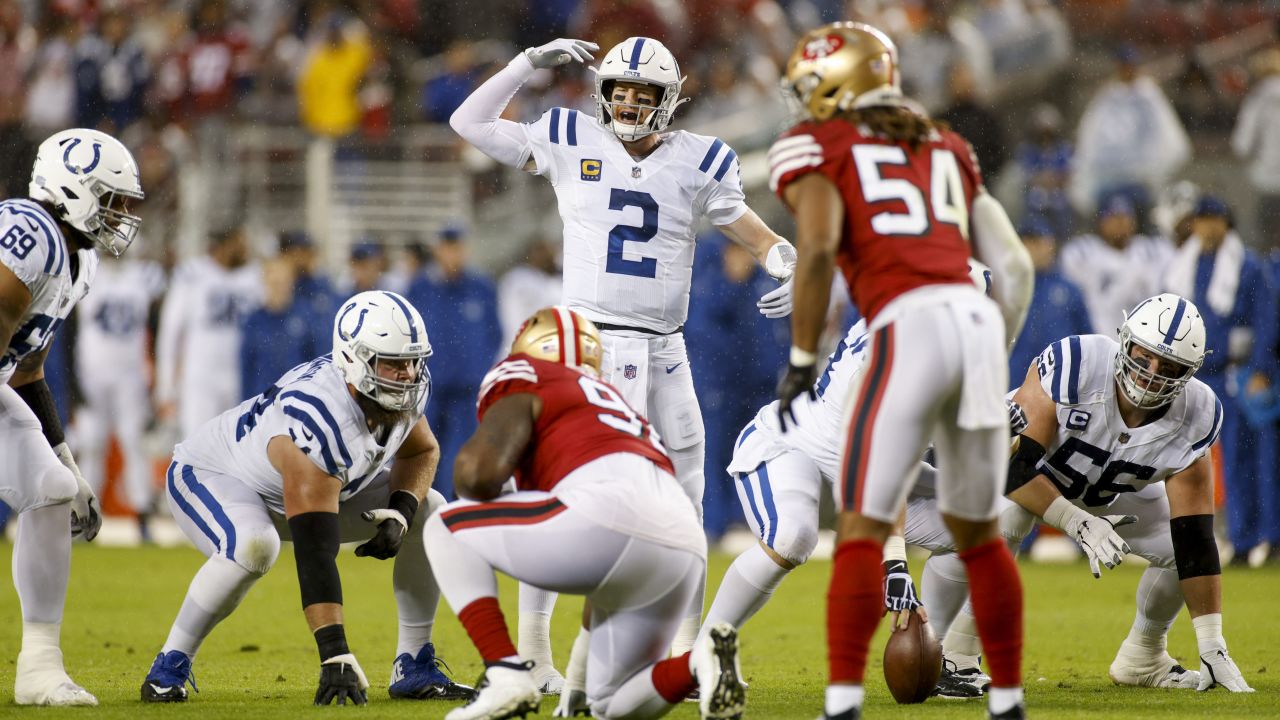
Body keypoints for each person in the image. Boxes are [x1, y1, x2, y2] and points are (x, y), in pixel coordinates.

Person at [449, 34, 797, 672]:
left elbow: (753, 229)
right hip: (589, 348)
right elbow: (467, 121)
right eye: (620, 90)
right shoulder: (568, 136)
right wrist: (525, 64)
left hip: (666, 349)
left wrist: (788, 263)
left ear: (669, 99)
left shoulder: (699, 159)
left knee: (687, 497)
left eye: (644, 93)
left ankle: (686, 652)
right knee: (561, 492)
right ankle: (533, 656)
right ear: (603, 93)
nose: (630, 102)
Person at [769, 22, 1033, 720]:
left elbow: (820, 251)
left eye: (812, 89)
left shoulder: (817, 147)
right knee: (983, 531)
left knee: (862, 523)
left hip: (904, 326)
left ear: (838, 85)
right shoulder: (948, 144)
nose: (805, 104)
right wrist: (990, 356)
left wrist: (801, 358)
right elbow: (1016, 267)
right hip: (974, 324)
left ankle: (842, 701)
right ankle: (1007, 700)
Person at [907, 294, 1254, 696]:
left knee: (1181, 548)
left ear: (1188, 373)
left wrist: (1212, 644)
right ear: (1124, 342)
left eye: (1168, 366)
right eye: (1144, 356)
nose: (1150, 373)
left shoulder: (1198, 411)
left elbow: (1195, 536)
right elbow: (1014, 469)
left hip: (1102, 495)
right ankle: (958, 655)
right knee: (1011, 515)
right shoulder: (1079, 362)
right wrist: (1076, 522)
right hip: (1004, 474)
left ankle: (1143, 657)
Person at [140, 291, 471, 704]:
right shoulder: (318, 417)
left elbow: (422, 450)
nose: (407, 374)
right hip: (213, 475)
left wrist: (401, 513)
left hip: (303, 488)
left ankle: (414, 664)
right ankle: (169, 665)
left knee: (430, 510)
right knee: (253, 546)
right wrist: (335, 655)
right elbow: (316, 549)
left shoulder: (402, 388)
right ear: (355, 358)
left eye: (412, 361)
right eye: (394, 362)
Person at [424, 306, 743, 720]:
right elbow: (613, 554)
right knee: (610, 701)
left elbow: (480, 478)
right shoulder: (617, 403)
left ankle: (505, 673)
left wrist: (472, 465)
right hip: (681, 545)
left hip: (604, 519)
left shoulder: (526, 374)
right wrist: (577, 679)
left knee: (444, 524)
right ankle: (697, 664)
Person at [698, 261, 994, 659]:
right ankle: (701, 654)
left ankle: (940, 655)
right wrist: (895, 564)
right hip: (794, 445)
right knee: (792, 537)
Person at [0, 128, 144, 705]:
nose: (119, 217)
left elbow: (28, 369)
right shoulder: (28, 230)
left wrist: (70, 461)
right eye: (110, 200)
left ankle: (38, 666)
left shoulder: (76, 261)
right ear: (71, 189)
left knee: (53, 489)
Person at [1164, 195, 1279, 565]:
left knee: (1251, 458)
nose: (1206, 227)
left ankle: (1270, 537)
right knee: (1196, 461)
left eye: (1213, 219)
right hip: (1196, 375)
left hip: (1237, 375)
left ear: (1225, 223)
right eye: (1200, 219)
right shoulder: (1185, 265)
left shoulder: (1246, 265)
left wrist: (1261, 369)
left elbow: (1265, 320)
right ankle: (1240, 541)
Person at [71, 250, 166, 540]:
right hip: (91, 375)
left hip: (130, 377)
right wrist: (74, 383)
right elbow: (70, 329)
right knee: (91, 445)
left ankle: (142, 517)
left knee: (134, 445)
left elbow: (157, 326)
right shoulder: (87, 271)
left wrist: (154, 375)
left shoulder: (144, 275)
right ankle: (83, 518)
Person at [406, 223, 502, 499]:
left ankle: (456, 510)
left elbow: (494, 334)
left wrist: (476, 368)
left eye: (457, 248)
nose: (452, 254)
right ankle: (423, 509)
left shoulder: (481, 287)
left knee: (463, 454)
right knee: (425, 452)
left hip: (467, 391)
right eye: (447, 248)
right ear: (438, 250)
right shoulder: (421, 287)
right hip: (430, 391)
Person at [154, 225, 262, 438]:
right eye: (238, 244)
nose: (244, 250)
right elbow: (170, 331)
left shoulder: (254, 276)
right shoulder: (193, 274)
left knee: (238, 449)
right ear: (223, 246)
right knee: (196, 445)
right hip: (201, 376)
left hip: (240, 375)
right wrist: (165, 385)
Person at [1059, 194, 1172, 338]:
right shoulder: (1083, 252)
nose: (1120, 223)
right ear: (1101, 222)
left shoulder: (1151, 250)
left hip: (1145, 340)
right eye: (1113, 217)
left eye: (1125, 217)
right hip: (1099, 338)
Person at [1007, 217, 1092, 388]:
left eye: (1037, 241)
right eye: (1026, 242)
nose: (1031, 249)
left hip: (1059, 387)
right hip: (1014, 384)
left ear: (1050, 244)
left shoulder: (1069, 290)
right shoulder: (1006, 287)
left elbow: (1088, 341)